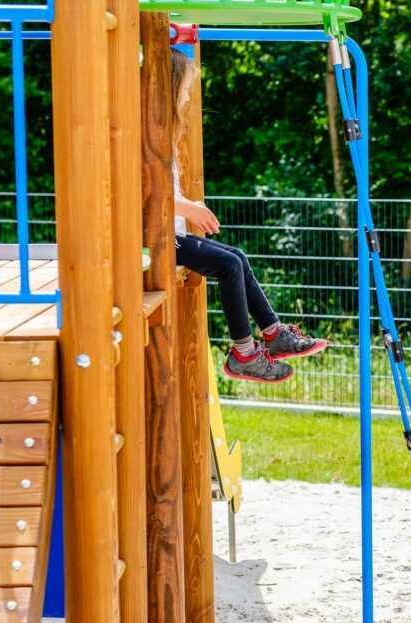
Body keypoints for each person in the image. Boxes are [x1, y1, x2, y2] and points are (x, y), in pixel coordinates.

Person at [169, 49, 327, 383]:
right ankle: (244, 354)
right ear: (170, 89)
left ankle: (273, 334)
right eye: (184, 89)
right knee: (228, 266)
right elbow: (150, 195)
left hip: (172, 233)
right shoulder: (149, 137)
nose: (187, 97)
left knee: (237, 257)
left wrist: (188, 209)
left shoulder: (162, 134)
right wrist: (190, 208)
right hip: (160, 241)